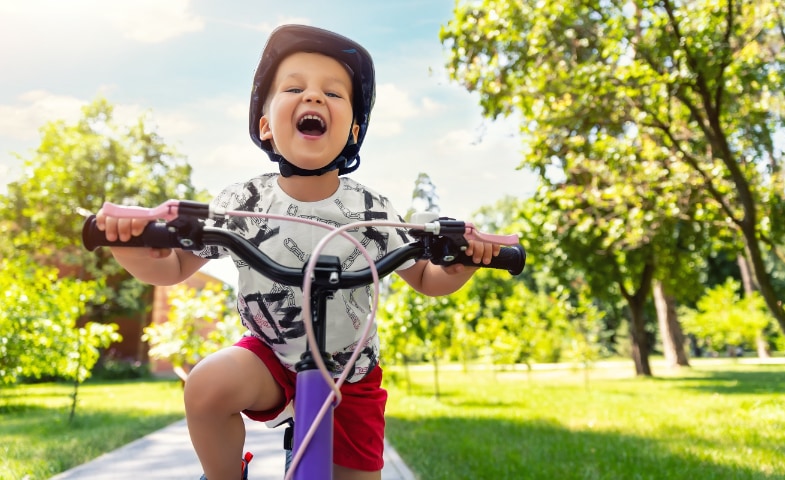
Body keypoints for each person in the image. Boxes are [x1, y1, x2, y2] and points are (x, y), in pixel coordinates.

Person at [96, 24, 501, 480]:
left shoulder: (371, 210)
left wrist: (463, 262)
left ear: (353, 129)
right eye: (294, 88)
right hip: (268, 358)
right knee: (207, 386)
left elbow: (427, 277)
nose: (313, 97)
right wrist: (126, 243)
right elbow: (171, 268)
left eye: (333, 92)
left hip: (351, 373)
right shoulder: (243, 202)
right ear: (266, 124)